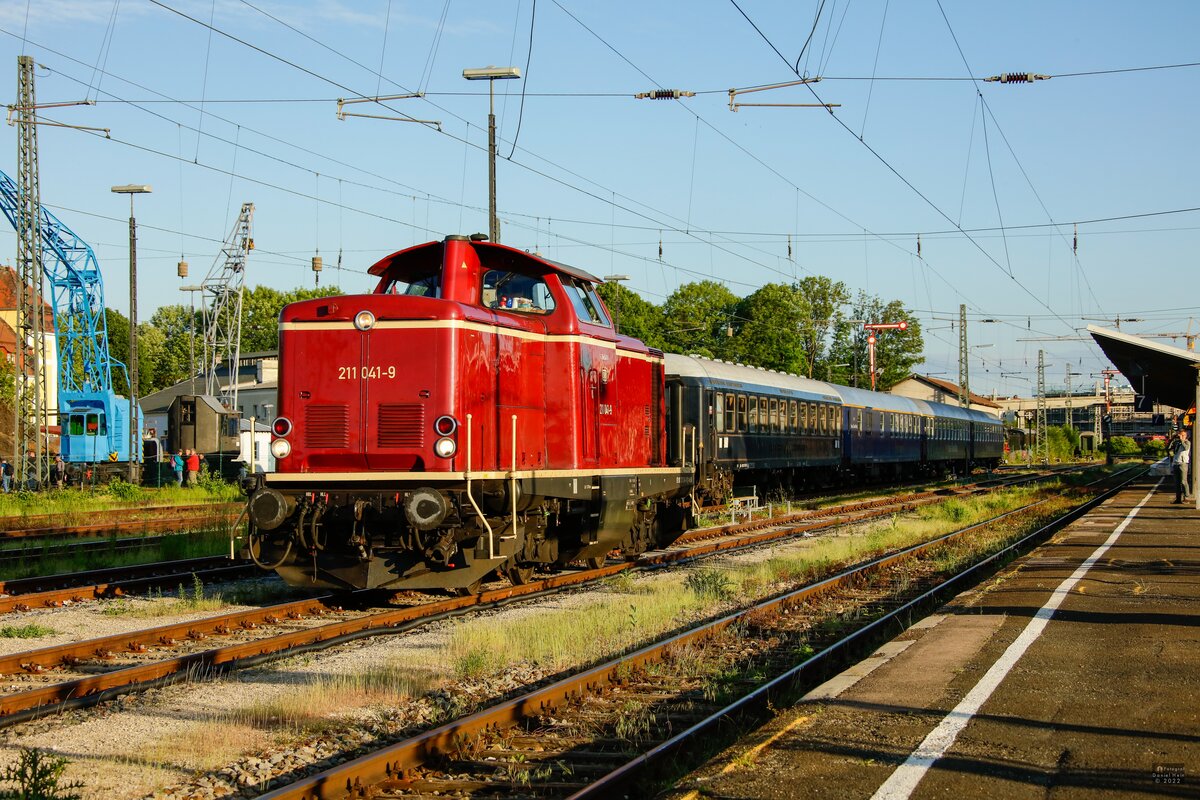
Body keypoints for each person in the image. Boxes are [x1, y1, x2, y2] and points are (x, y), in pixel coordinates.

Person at [1170, 429, 1191, 504]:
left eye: (1183, 435)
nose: (1181, 437)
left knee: (1183, 481)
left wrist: (1182, 440)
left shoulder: (1187, 442)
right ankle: (1178, 498)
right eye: (1180, 435)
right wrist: (1172, 439)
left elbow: (1186, 448)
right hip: (1176, 463)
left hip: (1183, 463)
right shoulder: (1176, 442)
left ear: (1186, 436)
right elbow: (1169, 448)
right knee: (1177, 482)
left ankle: (1186, 497)